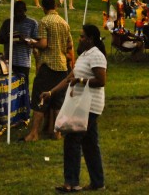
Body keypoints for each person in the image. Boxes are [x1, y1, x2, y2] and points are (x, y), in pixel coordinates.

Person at [43, 24, 107, 193]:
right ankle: (97, 182)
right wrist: (51, 92)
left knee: (72, 139)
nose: (80, 39)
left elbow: (101, 81)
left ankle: (71, 183)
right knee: (90, 144)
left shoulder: (97, 56)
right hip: (82, 104)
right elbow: (70, 77)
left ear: (91, 39)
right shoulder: (84, 56)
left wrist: (81, 82)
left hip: (89, 106)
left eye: (82, 36)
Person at [25, 0, 75, 142]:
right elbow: (69, 46)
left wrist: (32, 43)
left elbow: (44, 44)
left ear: (43, 7)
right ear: (56, 6)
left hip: (48, 66)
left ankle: (34, 133)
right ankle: (57, 133)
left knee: (40, 99)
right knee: (57, 101)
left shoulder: (44, 21)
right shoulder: (64, 23)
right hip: (62, 66)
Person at [0, 0, 40, 106]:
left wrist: (24, 39)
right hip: (8, 60)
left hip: (23, 62)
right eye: (15, 12)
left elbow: (37, 42)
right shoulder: (8, 23)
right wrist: (8, 38)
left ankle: (23, 109)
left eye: (20, 11)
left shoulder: (32, 23)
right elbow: (0, 39)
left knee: (22, 89)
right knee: (8, 88)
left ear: (25, 11)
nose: (17, 14)